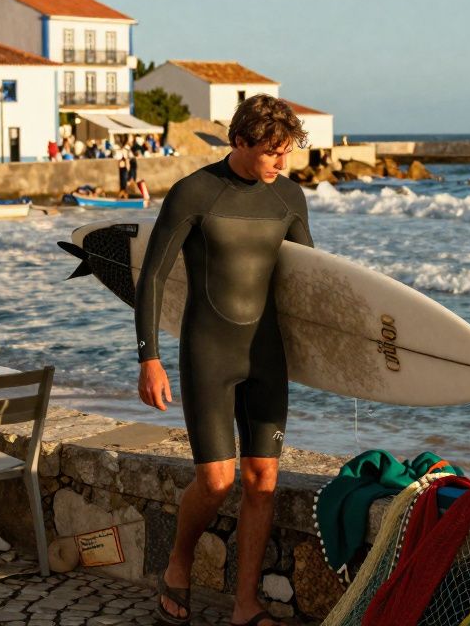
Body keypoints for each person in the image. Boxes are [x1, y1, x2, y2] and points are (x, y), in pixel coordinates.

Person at [136, 94, 310, 626]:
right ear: (239, 142)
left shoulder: (291, 198)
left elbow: (309, 285)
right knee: (216, 481)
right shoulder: (195, 191)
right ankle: (179, 564)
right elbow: (154, 277)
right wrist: (150, 358)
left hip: (267, 356)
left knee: (263, 480)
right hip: (209, 352)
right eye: (271, 152)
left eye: (287, 152)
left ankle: (245, 606)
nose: (281, 163)